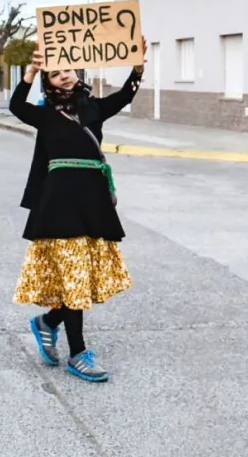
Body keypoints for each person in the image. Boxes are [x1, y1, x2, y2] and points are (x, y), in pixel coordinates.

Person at [9, 43, 146, 382]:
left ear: (78, 71)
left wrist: (138, 69)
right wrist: (29, 74)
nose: (64, 75)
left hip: (92, 203)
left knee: (79, 278)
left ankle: (48, 322)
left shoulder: (94, 108)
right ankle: (78, 354)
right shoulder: (44, 114)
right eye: (55, 73)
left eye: (67, 69)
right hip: (58, 206)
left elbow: (125, 96)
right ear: (49, 82)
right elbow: (15, 106)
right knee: (74, 278)